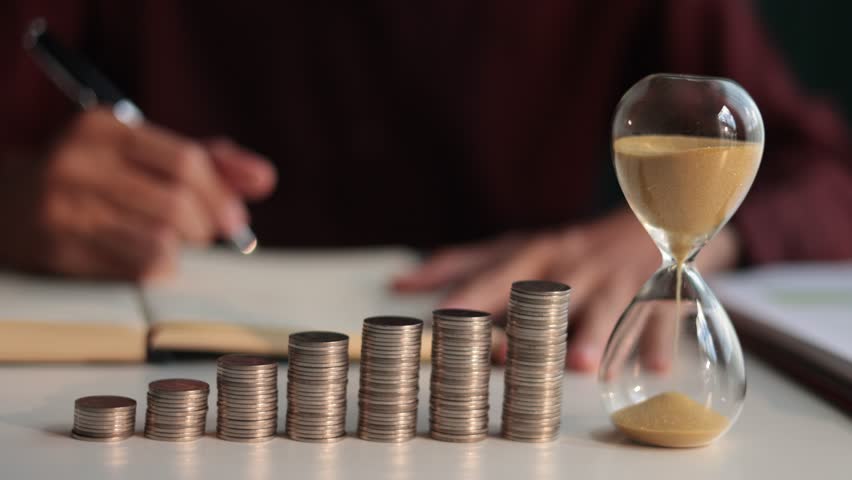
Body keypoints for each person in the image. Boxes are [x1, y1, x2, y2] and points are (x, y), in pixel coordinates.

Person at [1, 0, 850, 372]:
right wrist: (14, 194)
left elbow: (828, 171)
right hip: (160, 326)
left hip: (507, 352)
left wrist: (670, 233)